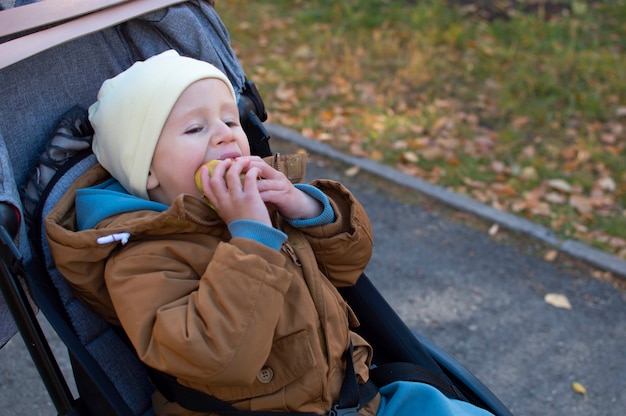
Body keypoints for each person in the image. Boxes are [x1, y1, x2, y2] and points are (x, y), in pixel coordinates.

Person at [45, 51, 494, 416]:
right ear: (146, 171)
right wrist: (251, 236)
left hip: (353, 395)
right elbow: (214, 357)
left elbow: (349, 266)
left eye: (229, 120)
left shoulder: (265, 203)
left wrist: (306, 207)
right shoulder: (139, 254)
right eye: (196, 128)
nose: (225, 137)